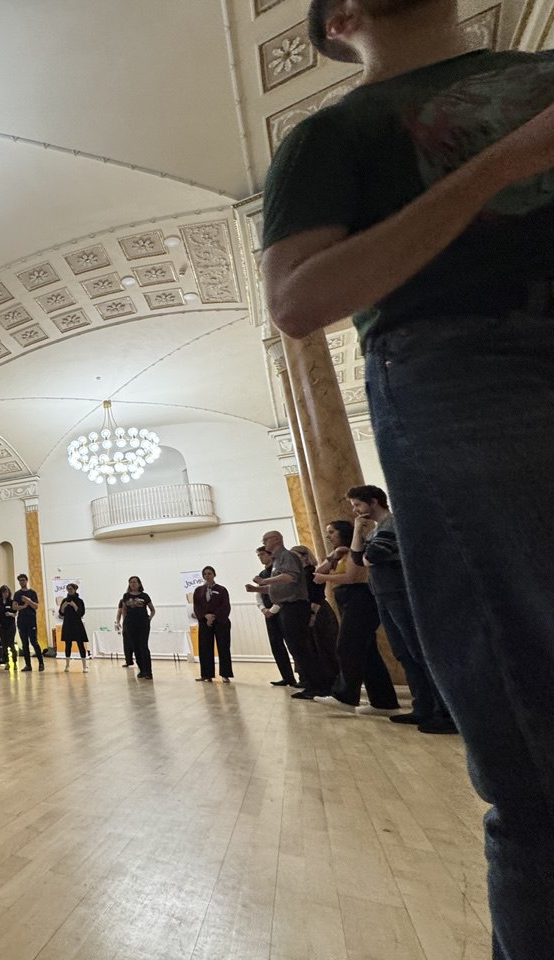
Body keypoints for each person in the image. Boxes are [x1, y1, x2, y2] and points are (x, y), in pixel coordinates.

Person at [262, 4, 554, 950]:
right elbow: (297, 300)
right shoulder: (330, 134)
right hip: (465, 363)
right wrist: (501, 165)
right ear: (341, 17)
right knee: (536, 735)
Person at [346, 485, 455, 733]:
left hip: (399, 594)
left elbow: (372, 557)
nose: (356, 510)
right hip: (384, 595)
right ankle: (422, 707)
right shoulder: (375, 529)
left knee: (418, 651)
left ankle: (446, 713)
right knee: (403, 653)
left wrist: (366, 554)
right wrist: (357, 530)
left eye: (358, 505)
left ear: (374, 501)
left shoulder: (391, 524)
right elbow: (358, 560)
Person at [311, 520, 401, 716]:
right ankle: (384, 703)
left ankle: (345, 696)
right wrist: (333, 556)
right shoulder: (339, 552)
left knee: (347, 645)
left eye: (331, 532)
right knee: (368, 653)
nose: (328, 536)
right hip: (347, 600)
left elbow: (352, 577)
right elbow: (317, 572)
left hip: (360, 598)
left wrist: (325, 578)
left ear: (343, 532)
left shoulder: (355, 550)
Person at [253, 531, 331, 699]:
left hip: (295, 606)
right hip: (287, 607)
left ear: (276, 540)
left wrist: (265, 581)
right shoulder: (277, 560)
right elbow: (280, 586)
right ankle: (311, 684)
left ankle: (316, 686)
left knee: (301, 647)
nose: (263, 542)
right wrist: (258, 589)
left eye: (266, 539)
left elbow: (290, 577)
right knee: (296, 648)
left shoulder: (286, 556)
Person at [293, 544, 341, 683]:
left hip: (317, 610)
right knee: (310, 645)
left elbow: (317, 595)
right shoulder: (299, 575)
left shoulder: (311, 572)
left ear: (305, 557)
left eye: (296, 557)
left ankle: (330, 679)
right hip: (306, 611)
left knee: (323, 645)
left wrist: (313, 614)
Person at [250, 546, 297, 686]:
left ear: (270, 555)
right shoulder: (262, 573)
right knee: (276, 645)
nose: (260, 557)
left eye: (262, 554)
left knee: (292, 644)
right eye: (258, 555)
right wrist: (263, 609)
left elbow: (283, 591)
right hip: (269, 614)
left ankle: (304, 677)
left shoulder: (278, 571)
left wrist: (273, 609)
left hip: (282, 611)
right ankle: (287, 677)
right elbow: (258, 594)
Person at [193, 567, 231, 683]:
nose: (207, 576)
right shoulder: (198, 590)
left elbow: (225, 605)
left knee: (223, 647)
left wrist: (213, 616)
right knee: (205, 648)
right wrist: (205, 616)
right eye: (205, 574)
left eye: (209, 573)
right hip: (205, 622)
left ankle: (225, 674)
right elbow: (197, 606)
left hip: (220, 622)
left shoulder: (221, 589)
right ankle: (206, 674)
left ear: (214, 574)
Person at [115, 576, 154, 679]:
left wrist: (149, 619)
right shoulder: (126, 596)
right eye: (131, 582)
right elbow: (123, 610)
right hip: (130, 624)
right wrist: (124, 622)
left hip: (143, 624)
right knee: (135, 647)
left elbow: (152, 610)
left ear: (139, 583)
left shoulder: (144, 596)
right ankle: (142, 670)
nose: (132, 584)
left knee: (143, 646)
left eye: (134, 582)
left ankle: (148, 671)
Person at [14, 573, 45, 672]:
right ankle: (28, 665)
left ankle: (41, 663)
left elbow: (36, 606)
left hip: (31, 620)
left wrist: (28, 601)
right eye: (20, 580)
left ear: (26, 581)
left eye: (23, 580)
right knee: (24, 643)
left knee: (34, 641)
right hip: (21, 621)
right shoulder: (17, 594)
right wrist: (22, 606)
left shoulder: (32, 593)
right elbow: (14, 607)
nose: (22, 582)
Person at [58, 582, 89, 673]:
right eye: (68, 589)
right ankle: (67, 665)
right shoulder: (64, 600)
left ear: (75, 590)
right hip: (67, 624)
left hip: (77, 624)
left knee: (80, 644)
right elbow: (61, 613)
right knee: (68, 644)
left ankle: (85, 666)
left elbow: (81, 613)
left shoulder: (80, 601)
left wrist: (74, 605)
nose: (69, 591)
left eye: (71, 589)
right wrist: (63, 607)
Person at [0, 585, 18, 668]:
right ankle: (7, 662)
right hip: (1, 626)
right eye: (3, 592)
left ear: (9, 593)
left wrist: (10, 614)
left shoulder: (12, 602)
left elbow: (15, 613)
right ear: (1, 593)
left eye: (6, 592)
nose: (5, 594)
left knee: (11, 644)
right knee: (4, 645)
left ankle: (14, 662)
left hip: (11, 626)